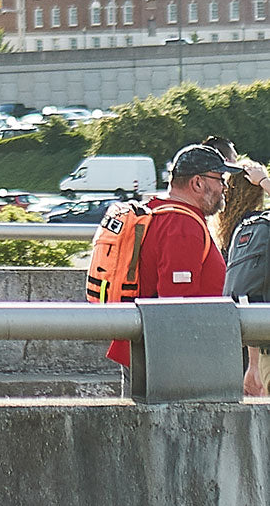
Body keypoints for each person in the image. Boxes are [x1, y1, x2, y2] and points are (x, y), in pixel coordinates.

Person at [106, 142, 245, 373]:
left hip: (145, 349)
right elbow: (177, 306)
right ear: (197, 182)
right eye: (220, 179)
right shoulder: (182, 227)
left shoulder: (156, 210)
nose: (224, 188)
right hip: (168, 360)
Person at [222, 157, 270, 396]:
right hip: (262, 347)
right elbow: (252, 293)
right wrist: (264, 180)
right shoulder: (259, 229)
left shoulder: (232, 229)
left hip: (242, 336)